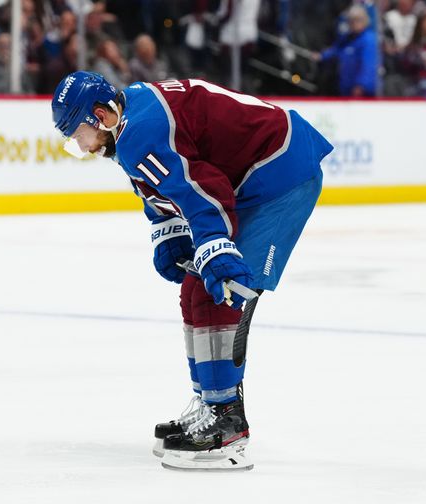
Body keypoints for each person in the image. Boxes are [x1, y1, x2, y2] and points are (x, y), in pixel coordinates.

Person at [50, 72, 333, 470]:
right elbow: (165, 183)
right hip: (261, 171)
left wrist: (216, 249)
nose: (79, 145)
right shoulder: (132, 115)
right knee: (194, 289)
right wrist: (169, 232)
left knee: (222, 291)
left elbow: (204, 189)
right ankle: (209, 402)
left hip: (281, 173)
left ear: (101, 116)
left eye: (77, 135)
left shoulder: (137, 133)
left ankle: (226, 422)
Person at [316, 5, 379, 97]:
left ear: (365, 20)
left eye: (357, 20)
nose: (353, 23)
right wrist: (321, 56)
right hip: (345, 89)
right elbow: (336, 50)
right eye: (351, 20)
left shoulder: (368, 40)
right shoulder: (347, 38)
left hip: (361, 92)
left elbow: (368, 65)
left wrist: (361, 85)